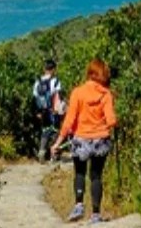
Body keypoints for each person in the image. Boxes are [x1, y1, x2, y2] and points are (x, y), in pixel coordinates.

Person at [52, 58, 117, 223]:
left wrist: (58, 143)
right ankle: (95, 214)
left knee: (79, 173)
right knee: (96, 176)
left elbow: (69, 121)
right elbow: (111, 120)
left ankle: (79, 205)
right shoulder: (106, 94)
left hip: (81, 139)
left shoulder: (77, 92)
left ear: (89, 73)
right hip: (101, 140)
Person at [32, 59, 64, 162]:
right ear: (53, 69)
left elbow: (34, 98)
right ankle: (54, 156)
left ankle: (41, 152)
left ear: (44, 69)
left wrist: (37, 112)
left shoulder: (37, 82)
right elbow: (57, 96)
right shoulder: (56, 81)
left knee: (45, 131)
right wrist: (59, 111)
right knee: (55, 132)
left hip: (42, 111)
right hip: (53, 111)